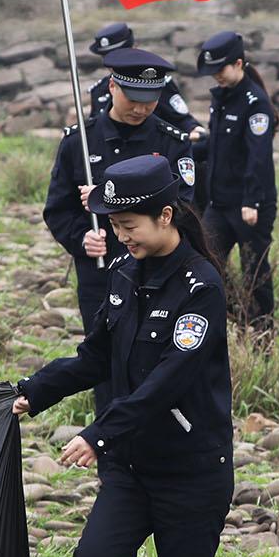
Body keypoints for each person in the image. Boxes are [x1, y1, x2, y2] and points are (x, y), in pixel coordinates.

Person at [13, 155, 231, 557]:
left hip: (191, 470)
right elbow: (95, 357)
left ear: (166, 215)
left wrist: (98, 434)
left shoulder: (200, 287)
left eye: (129, 224)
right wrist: (32, 392)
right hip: (134, 466)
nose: (120, 234)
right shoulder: (122, 273)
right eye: (113, 224)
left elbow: (169, 380)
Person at [45, 48, 197, 410]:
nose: (141, 109)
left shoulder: (172, 142)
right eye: (133, 98)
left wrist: (109, 197)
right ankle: (107, 434)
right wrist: (81, 239)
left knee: (158, 360)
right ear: (112, 87)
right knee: (106, 362)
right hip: (101, 272)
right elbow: (58, 209)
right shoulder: (80, 141)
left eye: (150, 100)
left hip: (159, 272)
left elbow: (185, 207)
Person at [194, 30, 277, 336]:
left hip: (249, 205)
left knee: (254, 272)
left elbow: (258, 157)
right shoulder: (221, 98)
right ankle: (238, 315)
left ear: (238, 64)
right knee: (204, 260)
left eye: (221, 69)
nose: (216, 75)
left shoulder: (256, 104)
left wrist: (251, 201)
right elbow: (217, 147)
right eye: (212, 71)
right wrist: (183, 148)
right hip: (219, 203)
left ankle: (262, 333)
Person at [85, 22, 201, 137]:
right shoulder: (99, 90)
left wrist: (194, 132)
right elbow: (94, 128)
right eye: (107, 56)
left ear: (134, 47)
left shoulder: (154, 83)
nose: (114, 61)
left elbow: (183, 120)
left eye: (120, 54)